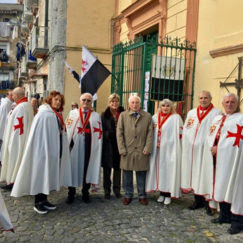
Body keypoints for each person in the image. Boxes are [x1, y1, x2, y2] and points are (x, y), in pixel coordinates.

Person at [11, 91, 72, 214]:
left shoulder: (56, 114)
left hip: (53, 151)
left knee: (47, 176)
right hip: (42, 152)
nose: (58, 102)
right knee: (40, 176)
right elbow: (39, 135)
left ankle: (44, 200)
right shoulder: (44, 114)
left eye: (60, 100)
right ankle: (37, 203)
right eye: (56, 99)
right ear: (50, 100)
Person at [199, 93, 243, 234]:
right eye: (227, 102)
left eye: (232, 102)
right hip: (216, 159)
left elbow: (238, 141)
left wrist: (220, 148)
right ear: (223, 104)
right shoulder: (218, 118)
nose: (229, 104)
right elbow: (210, 135)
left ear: (237, 104)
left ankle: (238, 221)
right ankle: (224, 216)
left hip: (232, 160)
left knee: (235, 188)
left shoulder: (241, 119)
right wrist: (211, 146)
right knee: (221, 185)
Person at [181, 91, 221, 212]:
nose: (203, 100)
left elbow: (217, 132)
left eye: (206, 98)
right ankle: (197, 200)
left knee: (205, 174)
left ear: (211, 98)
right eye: (201, 98)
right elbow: (187, 129)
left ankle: (208, 203)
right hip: (192, 151)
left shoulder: (217, 113)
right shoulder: (192, 113)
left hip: (205, 150)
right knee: (194, 174)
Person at [66, 93, 102, 204]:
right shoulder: (72, 113)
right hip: (74, 146)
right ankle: (71, 193)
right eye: (84, 100)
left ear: (92, 102)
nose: (86, 102)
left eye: (88, 100)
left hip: (88, 147)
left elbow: (99, 134)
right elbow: (67, 129)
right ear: (80, 101)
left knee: (86, 169)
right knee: (73, 168)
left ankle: (85, 192)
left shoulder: (96, 116)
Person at [117, 94, 153, 206]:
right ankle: (128, 194)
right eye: (132, 102)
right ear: (129, 104)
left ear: (140, 104)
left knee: (141, 173)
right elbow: (119, 133)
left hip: (141, 150)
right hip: (127, 150)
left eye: (137, 102)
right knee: (127, 174)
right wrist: (122, 149)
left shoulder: (147, 116)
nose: (135, 104)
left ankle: (142, 195)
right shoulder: (123, 115)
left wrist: (147, 147)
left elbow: (150, 134)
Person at [146, 99, 183, 205]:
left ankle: (168, 194)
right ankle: (161, 193)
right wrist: (154, 143)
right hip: (157, 150)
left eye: (168, 106)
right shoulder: (154, 118)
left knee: (168, 171)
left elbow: (179, 134)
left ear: (171, 107)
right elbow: (150, 133)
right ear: (160, 107)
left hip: (169, 150)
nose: (165, 108)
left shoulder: (176, 118)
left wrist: (167, 143)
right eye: (163, 106)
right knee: (159, 171)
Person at [0, 87, 34, 190]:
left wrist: (12, 142)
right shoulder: (24, 105)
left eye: (13, 95)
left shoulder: (21, 107)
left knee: (16, 158)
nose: (12, 97)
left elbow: (19, 127)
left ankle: (13, 182)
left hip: (18, 140)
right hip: (19, 138)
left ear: (18, 95)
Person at [101, 93, 124, 199]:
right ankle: (107, 190)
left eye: (116, 101)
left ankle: (117, 189)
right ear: (109, 103)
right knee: (107, 169)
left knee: (118, 168)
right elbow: (101, 130)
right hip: (108, 145)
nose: (114, 103)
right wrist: (109, 133)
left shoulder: (123, 113)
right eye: (112, 101)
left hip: (120, 144)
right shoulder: (104, 115)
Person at [0, 90, 13, 161]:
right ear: (7, 95)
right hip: (3, 131)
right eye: (11, 95)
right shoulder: (6, 105)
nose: (12, 97)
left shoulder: (9, 103)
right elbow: (4, 120)